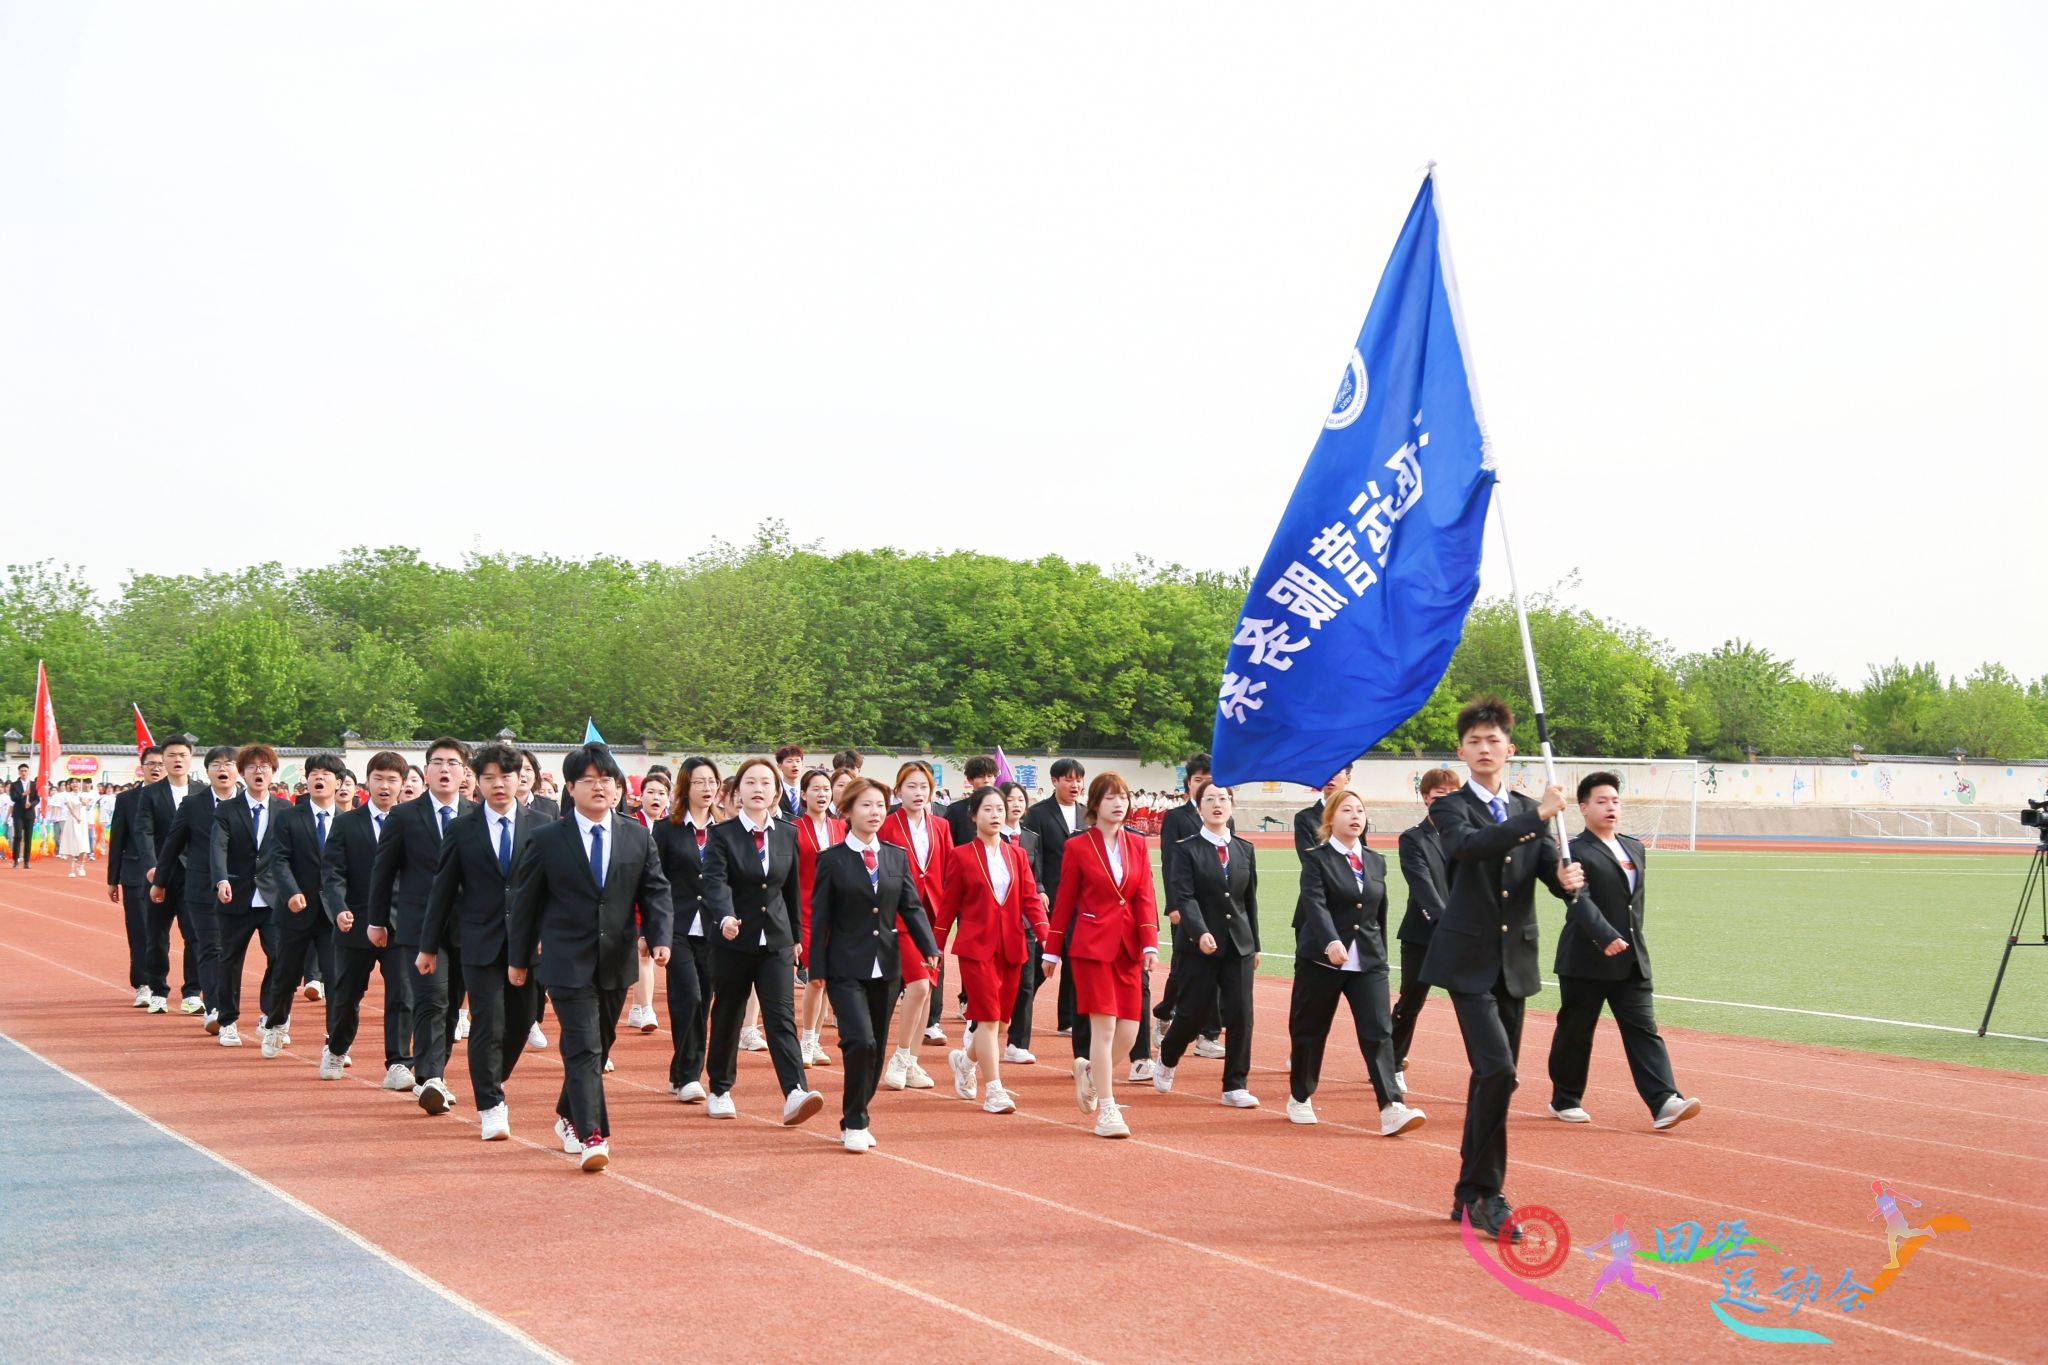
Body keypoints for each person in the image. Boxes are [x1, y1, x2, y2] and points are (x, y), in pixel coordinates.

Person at [1421, 695, 1589, 1243]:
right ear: (1461, 752)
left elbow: (1549, 871)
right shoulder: (1451, 807)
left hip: (1514, 961)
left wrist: (1565, 880)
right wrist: (1536, 817)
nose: (1484, 748)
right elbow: (1470, 848)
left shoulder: (1527, 808)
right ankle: (1487, 1193)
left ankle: (1467, 1192)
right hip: (1467, 962)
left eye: (1493, 740)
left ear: (1510, 749)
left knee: (1493, 1077)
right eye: (1474, 741)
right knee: (1498, 1070)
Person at [508, 743, 674, 1171]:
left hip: (616, 958)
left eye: (607, 780)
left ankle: (567, 1113)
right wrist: (519, 958)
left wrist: (660, 936)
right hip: (566, 959)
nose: (600, 788)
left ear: (618, 788)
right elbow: (525, 903)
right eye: (589, 781)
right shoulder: (547, 838)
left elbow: (655, 890)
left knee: (599, 1046)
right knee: (583, 1045)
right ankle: (593, 1134)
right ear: (570, 788)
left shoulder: (636, 835)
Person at [1545, 771, 1701, 1132]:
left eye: (1615, 801)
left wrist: (1627, 942)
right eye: (1601, 801)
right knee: (1576, 1031)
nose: (1610, 807)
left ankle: (1664, 1100)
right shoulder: (1573, 851)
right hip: (1586, 959)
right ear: (1583, 808)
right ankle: (1565, 1099)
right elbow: (1577, 899)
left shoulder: (1635, 848)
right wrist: (1604, 936)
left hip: (1631, 959)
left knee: (1643, 1029)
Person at [419, 742, 547, 1143]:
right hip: (479, 940)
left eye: (505, 776)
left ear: (520, 779)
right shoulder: (462, 828)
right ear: (477, 781)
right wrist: (427, 946)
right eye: (488, 777)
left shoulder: (543, 825)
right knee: (488, 1022)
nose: (498, 784)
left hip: (530, 943)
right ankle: (490, 1104)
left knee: (522, 1021)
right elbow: (442, 890)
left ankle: (493, 1075)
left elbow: (556, 888)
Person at [809, 776, 940, 1151]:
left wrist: (928, 945)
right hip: (844, 967)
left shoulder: (896, 856)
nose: (875, 812)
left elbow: (910, 906)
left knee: (877, 1048)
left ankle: (857, 1113)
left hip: (886, 965)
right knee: (859, 1040)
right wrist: (816, 969)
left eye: (880, 805)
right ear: (848, 811)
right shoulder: (832, 860)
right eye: (866, 805)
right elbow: (820, 918)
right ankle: (855, 1121)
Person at [1286, 788, 1426, 1137]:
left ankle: (1391, 1106)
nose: (1355, 816)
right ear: (1330, 818)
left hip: (1368, 961)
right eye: (1346, 810)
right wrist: (1330, 940)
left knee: (1378, 1031)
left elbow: (1379, 912)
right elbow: (1314, 904)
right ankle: (1300, 1095)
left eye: (1360, 811)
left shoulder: (1376, 861)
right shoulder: (1317, 859)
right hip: (1322, 960)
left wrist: (1380, 953)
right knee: (1310, 1030)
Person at [700, 756, 824, 1126]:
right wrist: (725, 918)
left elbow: (790, 889)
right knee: (729, 1014)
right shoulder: (722, 835)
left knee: (780, 1017)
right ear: (737, 792)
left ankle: (795, 1092)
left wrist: (796, 937)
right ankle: (720, 1089)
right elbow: (715, 883)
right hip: (733, 940)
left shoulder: (787, 832)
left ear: (776, 792)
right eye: (751, 782)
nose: (758, 789)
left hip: (777, 942)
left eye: (766, 783)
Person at [1042, 772, 1158, 1139]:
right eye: (1110, 797)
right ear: (1094, 804)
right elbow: (1064, 901)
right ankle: (1107, 1108)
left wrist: (1150, 942)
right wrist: (1052, 951)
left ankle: (1091, 1072)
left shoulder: (1137, 844)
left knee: (1131, 1030)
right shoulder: (1078, 846)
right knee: (1104, 1027)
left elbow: (1144, 896)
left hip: (1128, 948)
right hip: (1091, 947)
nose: (1118, 803)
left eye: (1122, 796)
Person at [367, 737, 475, 1115]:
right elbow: (383, 873)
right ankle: (430, 1078)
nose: (445, 769)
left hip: (467, 927)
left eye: (453, 763)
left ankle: (436, 1073)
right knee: (431, 999)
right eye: (437, 762)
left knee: (452, 1005)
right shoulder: (403, 816)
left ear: (464, 773)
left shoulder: (476, 815)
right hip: (418, 925)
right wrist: (377, 921)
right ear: (426, 771)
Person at [935, 785, 1046, 1115]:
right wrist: (934, 948)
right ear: (973, 815)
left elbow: (1030, 899)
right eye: (988, 809)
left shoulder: (1017, 855)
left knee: (1001, 1023)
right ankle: (994, 1090)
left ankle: (965, 1062)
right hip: (976, 948)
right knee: (986, 1018)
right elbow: (947, 907)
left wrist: (1046, 937)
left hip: (1012, 946)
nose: (996, 814)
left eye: (1000, 808)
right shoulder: (961, 856)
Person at [1157, 781, 1260, 1108]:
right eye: (1210, 799)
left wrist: (1255, 944)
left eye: (1224, 798)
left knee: (1241, 1014)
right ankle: (1168, 1054)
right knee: (1192, 1014)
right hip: (1198, 946)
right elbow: (1184, 896)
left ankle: (1235, 1085)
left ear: (1232, 806)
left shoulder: (1244, 849)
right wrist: (1200, 931)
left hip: (1239, 945)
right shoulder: (1186, 849)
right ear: (1199, 808)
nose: (1218, 804)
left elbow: (1249, 901)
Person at [318, 750, 416, 1091]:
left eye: (392, 780)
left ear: (402, 784)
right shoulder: (346, 822)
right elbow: (332, 873)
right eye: (379, 779)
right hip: (355, 921)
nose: (385, 786)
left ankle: (399, 1062)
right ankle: (336, 1048)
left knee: (402, 994)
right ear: (367, 782)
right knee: (346, 995)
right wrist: (338, 908)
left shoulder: (412, 823)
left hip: (401, 924)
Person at [252, 752, 345, 1058]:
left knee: (336, 978)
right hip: (295, 910)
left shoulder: (347, 821)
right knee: (285, 975)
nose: (319, 778)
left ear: (339, 782)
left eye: (326, 774)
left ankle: (335, 1043)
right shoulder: (289, 818)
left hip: (333, 913)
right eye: (314, 773)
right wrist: (290, 892)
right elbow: (278, 860)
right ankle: (277, 1023)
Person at [206, 744, 293, 1052]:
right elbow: (218, 846)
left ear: (273, 772)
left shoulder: (286, 809)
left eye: (264, 766)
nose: (259, 771)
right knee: (230, 961)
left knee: (280, 958)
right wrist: (221, 879)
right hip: (236, 896)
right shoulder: (227, 809)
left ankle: (270, 1016)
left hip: (274, 898)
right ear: (242, 773)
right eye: (252, 767)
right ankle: (227, 1021)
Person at [151, 745, 239, 1030]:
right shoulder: (192, 804)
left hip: (245, 890)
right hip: (202, 887)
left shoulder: (251, 803)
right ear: (207, 770)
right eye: (216, 764)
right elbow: (172, 845)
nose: (222, 769)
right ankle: (214, 1008)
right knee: (210, 947)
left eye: (228, 764)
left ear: (238, 770)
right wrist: (160, 881)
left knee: (239, 951)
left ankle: (270, 1014)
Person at [878, 761, 947, 1087]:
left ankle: (912, 1062)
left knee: (926, 990)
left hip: (932, 917)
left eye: (924, 787)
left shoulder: (940, 826)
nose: (918, 793)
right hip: (899, 916)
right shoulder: (887, 825)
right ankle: (900, 1056)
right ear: (898, 791)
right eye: (911, 786)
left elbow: (947, 869)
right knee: (918, 986)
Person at [1390, 767, 1459, 1093]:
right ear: (1425, 798)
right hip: (1423, 934)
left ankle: (1490, 1068)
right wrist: (1444, 924)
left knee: (1474, 1003)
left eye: (1452, 794)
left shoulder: (1469, 835)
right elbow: (1422, 886)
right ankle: (1391, 1062)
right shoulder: (1413, 839)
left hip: (1464, 935)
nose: (1445, 800)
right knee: (1412, 1001)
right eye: (1438, 795)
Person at [1154, 754, 1227, 1058]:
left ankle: (1208, 1035)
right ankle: (1164, 1012)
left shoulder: (1224, 814)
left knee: (1218, 967)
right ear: (1188, 783)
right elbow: (1169, 862)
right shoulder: (1176, 818)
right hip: (1187, 906)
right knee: (1183, 969)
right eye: (1199, 780)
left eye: (1210, 779)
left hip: (1218, 909)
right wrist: (1174, 904)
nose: (1205, 785)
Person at [655, 757, 719, 1102]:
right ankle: (690, 1076)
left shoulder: (725, 830)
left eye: (712, 781)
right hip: (676, 926)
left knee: (704, 1001)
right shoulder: (667, 829)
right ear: (685, 787)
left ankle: (679, 1070)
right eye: (699, 782)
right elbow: (654, 881)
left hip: (713, 930)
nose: (707, 788)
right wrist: (650, 931)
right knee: (688, 997)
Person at [138, 737, 207, 1014]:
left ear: (191, 758)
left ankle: (192, 993)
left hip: (195, 875)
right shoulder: (150, 793)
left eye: (182, 755)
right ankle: (158, 991)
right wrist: (152, 867)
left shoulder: (203, 792)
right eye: (171, 755)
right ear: (164, 759)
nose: (177, 760)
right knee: (157, 936)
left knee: (196, 935)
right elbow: (143, 832)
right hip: (161, 875)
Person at [1021, 758, 1086, 1036]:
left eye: (1078, 780)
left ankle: (1067, 1020)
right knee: (1040, 958)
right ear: (1054, 781)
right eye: (1068, 779)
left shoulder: (1087, 814)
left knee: (1074, 959)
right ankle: (1017, 1007)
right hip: (1049, 897)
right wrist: (1039, 888)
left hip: (1081, 900)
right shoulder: (1038, 814)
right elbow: (1033, 855)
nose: (1075, 785)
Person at [789, 767, 845, 1067]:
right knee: (816, 978)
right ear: (804, 794)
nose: (822, 794)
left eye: (826, 789)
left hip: (835, 912)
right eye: (816, 789)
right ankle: (807, 1040)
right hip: (806, 912)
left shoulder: (840, 828)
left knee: (829, 979)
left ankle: (815, 1039)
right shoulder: (793, 829)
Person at [106, 747, 165, 1010]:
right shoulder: (127, 800)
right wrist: (113, 878)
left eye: (160, 764)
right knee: (140, 930)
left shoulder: (179, 797)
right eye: (151, 764)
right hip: (135, 873)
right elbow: (118, 840)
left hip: (171, 873)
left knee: (167, 932)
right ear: (142, 767)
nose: (156, 768)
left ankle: (180, 988)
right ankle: (144, 984)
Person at [995, 780, 1045, 1064]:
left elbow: (1036, 877)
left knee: (1026, 982)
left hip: (1024, 921)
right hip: (996, 920)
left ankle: (1017, 1043)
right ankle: (977, 1029)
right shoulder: (991, 837)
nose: (1015, 805)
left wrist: (1041, 892)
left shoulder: (1030, 838)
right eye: (1010, 800)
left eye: (1020, 800)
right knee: (995, 982)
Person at [623, 771, 671, 1034]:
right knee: (643, 951)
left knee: (647, 954)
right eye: (651, 792)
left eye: (662, 793)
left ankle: (637, 1007)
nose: (656, 798)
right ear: (640, 797)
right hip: (633, 897)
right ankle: (646, 1008)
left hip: (658, 899)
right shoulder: (631, 825)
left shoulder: (671, 827)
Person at [1294, 766, 1351, 863]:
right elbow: (1308, 859)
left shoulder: (1356, 817)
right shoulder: (1305, 818)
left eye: (1337, 772)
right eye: (1326, 771)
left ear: (1348, 778)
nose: (1331, 776)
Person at [7, 763, 36, 867]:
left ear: (28, 772)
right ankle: (15, 860)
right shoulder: (14, 785)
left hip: (29, 814)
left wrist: (31, 804)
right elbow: (13, 797)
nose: (24, 773)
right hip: (18, 814)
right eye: (22, 771)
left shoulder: (33, 784)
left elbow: (37, 799)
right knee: (18, 836)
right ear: (19, 772)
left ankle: (26, 861)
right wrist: (24, 794)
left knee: (28, 838)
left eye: (25, 771)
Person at [518, 750, 560, 821]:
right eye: (517, 769)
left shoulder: (551, 807)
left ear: (535, 776)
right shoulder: (498, 805)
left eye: (528, 769)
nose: (522, 774)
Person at [773, 743, 806, 820]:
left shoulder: (808, 789)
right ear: (779, 766)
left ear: (802, 765)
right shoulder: (775, 790)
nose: (795, 765)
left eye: (798, 761)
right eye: (789, 761)